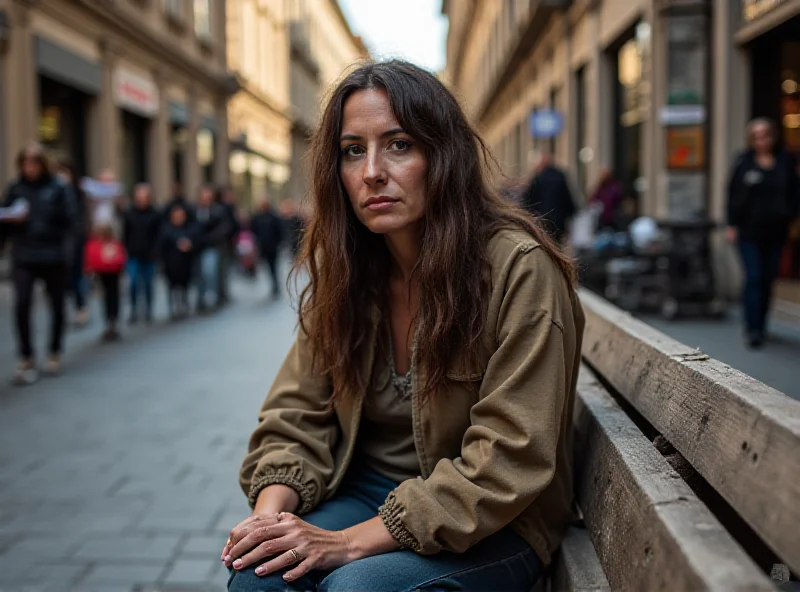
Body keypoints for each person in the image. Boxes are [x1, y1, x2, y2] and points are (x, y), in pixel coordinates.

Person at [223, 61, 584, 592]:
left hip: (493, 519)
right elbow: (296, 414)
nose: (371, 171)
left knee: (357, 589)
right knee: (260, 577)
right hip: (367, 489)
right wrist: (269, 519)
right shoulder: (347, 273)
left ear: (443, 156)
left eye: (398, 145)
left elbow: (510, 457)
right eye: (353, 151)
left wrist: (345, 544)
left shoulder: (518, 268)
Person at [0, 143, 75, 385]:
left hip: (53, 254)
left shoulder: (58, 188)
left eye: (33, 162)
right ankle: (26, 356)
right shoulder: (15, 188)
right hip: (24, 255)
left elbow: (70, 220)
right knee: (21, 304)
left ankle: (54, 351)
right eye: (25, 163)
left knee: (56, 305)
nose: (29, 167)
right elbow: (4, 220)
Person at [727, 118, 800, 348]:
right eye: (756, 136)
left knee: (768, 279)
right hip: (749, 231)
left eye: (765, 134)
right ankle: (753, 328)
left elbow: (795, 193)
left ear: (772, 136)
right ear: (751, 139)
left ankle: (762, 323)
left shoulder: (785, 161)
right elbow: (732, 195)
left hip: (776, 231)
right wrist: (731, 224)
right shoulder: (744, 163)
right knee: (755, 276)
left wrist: (790, 217)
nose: (761, 140)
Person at [57, 159, 91, 327]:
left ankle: (80, 307)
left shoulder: (76, 193)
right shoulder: (53, 193)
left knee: (76, 278)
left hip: (74, 243)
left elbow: (78, 220)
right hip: (57, 245)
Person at [122, 183, 161, 324]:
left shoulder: (155, 214)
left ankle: (148, 309)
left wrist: (155, 251)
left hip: (149, 255)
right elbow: (125, 234)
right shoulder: (129, 213)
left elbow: (158, 235)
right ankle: (133, 309)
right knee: (132, 283)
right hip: (133, 254)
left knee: (148, 283)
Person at [519, 152, 577, 244]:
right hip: (558, 220)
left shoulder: (538, 177)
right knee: (557, 245)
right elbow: (567, 199)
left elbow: (528, 200)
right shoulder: (560, 177)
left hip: (543, 219)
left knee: (545, 244)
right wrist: (571, 213)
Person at [85, 223, 126, 341]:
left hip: (112, 274)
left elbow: (120, 258)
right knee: (107, 298)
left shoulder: (112, 244)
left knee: (113, 297)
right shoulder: (95, 244)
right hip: (102, 274)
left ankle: (112, 321)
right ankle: (109, 322)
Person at [194, 184, 230, 312]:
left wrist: (211, 238)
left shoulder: (218, 211)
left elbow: (224, 228)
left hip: (212, 246)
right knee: (199, 275)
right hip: (196, 247)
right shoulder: (194, 211)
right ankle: (201, 299)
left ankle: (213, 297)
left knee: (209, 272)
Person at [159, 205, 197, 319]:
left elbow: (197, 241)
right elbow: (161, 246)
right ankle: (174, 307)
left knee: (184, 285)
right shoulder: (166, 229)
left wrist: (189, 246)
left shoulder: (190, 229)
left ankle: (183, 305)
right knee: (172, 286)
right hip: (171, 263)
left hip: (185, 263)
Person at [251, 197, 284, 297]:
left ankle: (276, 286)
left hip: (273, 247)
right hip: (263, 247)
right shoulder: (257, 217)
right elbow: (254, 231)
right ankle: (273, 285)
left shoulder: (274, 217)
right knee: (268, 267)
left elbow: (280, 231)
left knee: (274, 266)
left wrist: (278, 243)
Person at [217, 186, 240, 306]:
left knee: (226, 269)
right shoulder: (221, 209)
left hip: (229, 244)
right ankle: (221, 293)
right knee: (222, 270)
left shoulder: (230, 208)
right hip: (223, 243)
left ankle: (223, 292)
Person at [590, 167, 625, 231]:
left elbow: (619, 201)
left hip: (613, 219)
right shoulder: (599, 188)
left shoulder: (615, 187)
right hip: (601, 219)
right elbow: (593, 201)